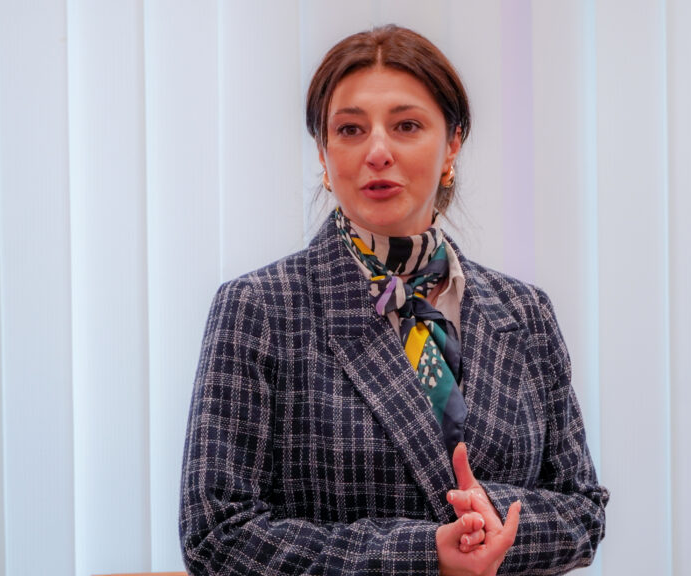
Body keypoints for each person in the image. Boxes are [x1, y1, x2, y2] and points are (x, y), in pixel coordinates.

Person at [179, 24, 608, 575]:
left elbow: (582, 511)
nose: (377, 151)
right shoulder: (259, 308)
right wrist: (427, 555)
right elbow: (217, 534)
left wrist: (490, 521)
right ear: (323, 153)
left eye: (406, 125)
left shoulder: (525, 312)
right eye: (350, 129)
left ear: (452, 144)